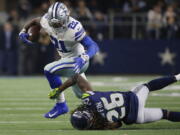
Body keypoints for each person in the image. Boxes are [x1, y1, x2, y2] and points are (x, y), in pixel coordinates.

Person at [19, 2, 99, 119]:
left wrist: (84, 57)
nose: (56, 26)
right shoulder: (46, 20)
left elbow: (93, 45)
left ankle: (61, 105)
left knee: (48, 70)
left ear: (66, 17)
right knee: (83, 94)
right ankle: (100, 110)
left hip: (79, 60)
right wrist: (24, 29)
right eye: (53, 24)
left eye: (59, 23)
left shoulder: (74, 27)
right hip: (67, 60)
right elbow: (36, 20)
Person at [48, 74, 180, 130]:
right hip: (134, 99)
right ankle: (177, 77)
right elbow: (77, 77)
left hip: (136, 117)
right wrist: (60, 89)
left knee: (165, 114)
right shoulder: (89, 98)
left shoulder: (100, 124)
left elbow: (118, 124)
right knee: (148, 86)